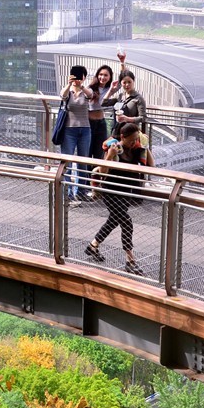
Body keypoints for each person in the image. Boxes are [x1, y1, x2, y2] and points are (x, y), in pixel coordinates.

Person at [85, 122, 154, 275]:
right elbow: (103, 172)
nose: (134, 141)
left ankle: (93, 245)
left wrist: (146, 146)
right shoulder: (114, 148)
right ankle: (130, 260)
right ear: (123, 136)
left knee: (113, 220)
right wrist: (109, 155)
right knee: (126, 222)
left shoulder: (136, 149)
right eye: (132, 139)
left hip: (126, 192)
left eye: (137, 138)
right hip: (111, 192)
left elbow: (151, 167)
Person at [58, 64, 93, 200]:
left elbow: (91, 96)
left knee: (83, 161)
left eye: (80, 75)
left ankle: (80, 192)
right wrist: (69, 84)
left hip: (85, 129)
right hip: (68, 130)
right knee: (67, 161)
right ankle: (67, 194)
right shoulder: (68, 90)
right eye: (75, 75)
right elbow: (62, 96)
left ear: (84, 77)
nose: (78, 78)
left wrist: (82, 86)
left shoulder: (86, 90)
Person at [86, 64, 115, 175]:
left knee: (99, 153)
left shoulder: (110, 89)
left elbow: (123, 78)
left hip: (101, 123)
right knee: (87, 153)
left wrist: (122, 62)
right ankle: (86, 184)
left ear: (110, 77)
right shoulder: (91, 88)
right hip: (89, 123)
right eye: (101, 74)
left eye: (106, 75)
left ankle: (96, 182)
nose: (103, 77)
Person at [103, 69, 147, 134]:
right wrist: (111, 90)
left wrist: (127, 119)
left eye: (129, 82)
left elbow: (143, 118)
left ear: (133, 81)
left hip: (131, 133)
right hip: (118, 131)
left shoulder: (138, 98)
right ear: (121, 83)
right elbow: (104, 103)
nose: (127, 85)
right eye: (124, 82)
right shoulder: (120, 96)